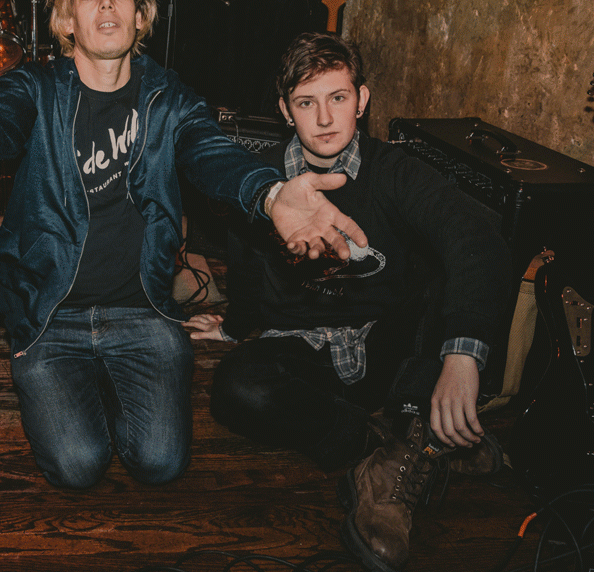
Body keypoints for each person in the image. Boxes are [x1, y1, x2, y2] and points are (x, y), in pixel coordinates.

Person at [0, 0, 367, 491]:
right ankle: (81, 381)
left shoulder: (170, 98)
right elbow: (3, 119)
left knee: (160, 464)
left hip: (142, 312)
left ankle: (110, 379)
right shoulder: (35, 87)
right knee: (77, 466)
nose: (107, 4)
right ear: (67, 21)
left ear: (140, 17)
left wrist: (271, 193)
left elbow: (212, 152)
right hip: (51, 316)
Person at [184, 32, 512, 572]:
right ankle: (399, 447)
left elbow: (477, 239)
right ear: (284, 110)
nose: (324, 118)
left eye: (337, 97)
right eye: (305, 103)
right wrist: (233, 325)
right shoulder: (263, 178)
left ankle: (402, 453)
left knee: (444, 280)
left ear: (362, 99)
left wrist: (461, 356)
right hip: (303, 349)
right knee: (236, 389)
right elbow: (245, 260)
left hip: (386, 344)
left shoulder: (395, 170)